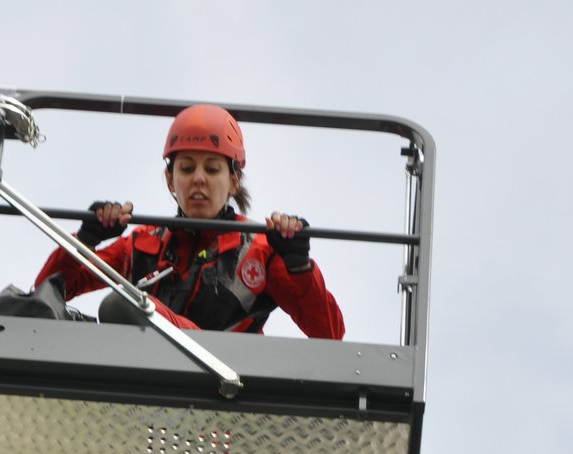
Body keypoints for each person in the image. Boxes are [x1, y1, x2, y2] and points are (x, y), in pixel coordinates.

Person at [32, 104, 345, 339]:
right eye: (186, 169)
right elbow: (47, 291)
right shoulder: (143, 243)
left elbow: (329, 334)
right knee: (28, 312)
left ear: (234, 181)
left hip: (225, 388)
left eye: (211, 169)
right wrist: (86, 239)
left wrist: (299, 267)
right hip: (151, 390)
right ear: (170, 180)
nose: (198, 180)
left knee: (119, 307)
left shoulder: (260, 251)